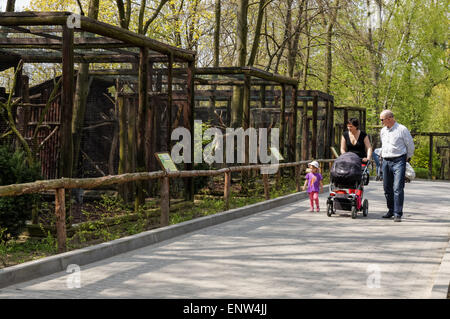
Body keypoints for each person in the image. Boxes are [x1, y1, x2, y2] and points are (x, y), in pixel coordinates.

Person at [379, 110, 415, 222]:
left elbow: (410, 145)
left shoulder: (402, 129)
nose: (381, 122)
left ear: (389, 118)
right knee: (387, 187)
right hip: (386, 160)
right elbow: (383, 145)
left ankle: (397, 213)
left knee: (398, 188)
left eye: (382, 120)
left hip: (399, 160)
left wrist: (407, 158)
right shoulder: (383, 131)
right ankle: (391, 210)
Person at [340, 118, 373, 209]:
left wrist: (368, 158)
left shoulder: (363, 135)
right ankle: (351, 198)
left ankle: (357, 200)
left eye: (351, 126)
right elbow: (342, 149)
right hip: (349, 160)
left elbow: (369, 147)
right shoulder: (345, 135)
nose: (349, 128)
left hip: (361, 160)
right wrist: (345, 156)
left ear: (356, 126)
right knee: (350, 179)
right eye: (348, 126)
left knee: (359, 180)